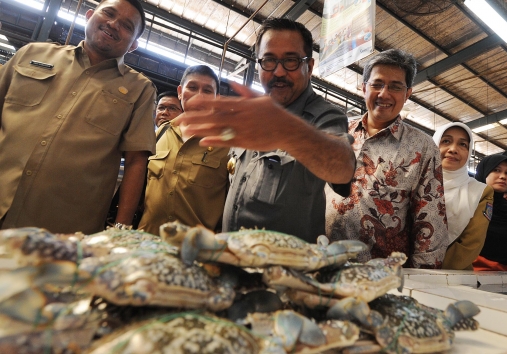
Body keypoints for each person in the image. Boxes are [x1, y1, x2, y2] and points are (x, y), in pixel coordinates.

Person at [172, 18, 356, 243]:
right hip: (233, 258)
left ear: (309, 67)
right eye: (268, 60)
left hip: (287, 271)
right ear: (258, 65)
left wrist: (285, 129)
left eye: (291, 60)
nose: (278, 72)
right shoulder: (251, 113)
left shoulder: (324, 114)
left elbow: (343, 168)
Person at [0, 0, 156, 234]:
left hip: (63, 232)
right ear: (90, 15)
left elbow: (135, 161)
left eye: (126, 25)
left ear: (133, 45)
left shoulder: (140, 90)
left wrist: (120, 230)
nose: (113, 24)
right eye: (109, 13)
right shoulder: (32, 53)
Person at [325, 49, 448, 269]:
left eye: (395, 86)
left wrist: (421, 282)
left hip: (380, 274)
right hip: (321, 261)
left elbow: (431, 222)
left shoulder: (422, 147)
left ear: (407, 93)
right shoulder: (337, 132)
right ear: (363, 88)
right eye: (377, 84)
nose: (384, 94)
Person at [138, 65, 229, 236]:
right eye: (192, 88)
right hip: (148, 242)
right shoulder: (162, 132)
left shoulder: (227, 144)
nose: (199, 96)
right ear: (180, 92)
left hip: (194, 251)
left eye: (207, 91)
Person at [432, 122, 493, 270]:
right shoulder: (415, 181)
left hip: (453, 276)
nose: (453, 149)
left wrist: (429, 270)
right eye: (446, 141)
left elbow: (471, 243)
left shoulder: (480, 191)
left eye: (463, 145)